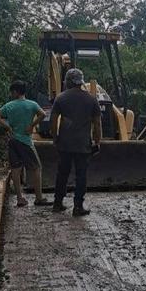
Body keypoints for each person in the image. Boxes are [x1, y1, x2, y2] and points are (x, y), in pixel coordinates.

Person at [50, 68, 102, 215]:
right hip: (83, 145)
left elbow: (53, 121)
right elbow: (97, 124)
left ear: (68, 81)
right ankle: (78, 207)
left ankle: (57, 203)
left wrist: (55, 138)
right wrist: (97, 141)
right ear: (81, 81)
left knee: (62, 173)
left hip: (65, 144)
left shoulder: (60, 98)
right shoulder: (91, 99)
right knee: (81, 175)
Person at [0, 81, 52, 208]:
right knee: (36, 168)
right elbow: (43, 114)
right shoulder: (32, 105)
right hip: (25, 141)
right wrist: (32, 125)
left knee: (15, 169)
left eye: (12, 92)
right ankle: (39, 197)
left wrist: (8, 127)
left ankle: (20, 198)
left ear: (15, 92)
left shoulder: (9, 106)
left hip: (13, 140)